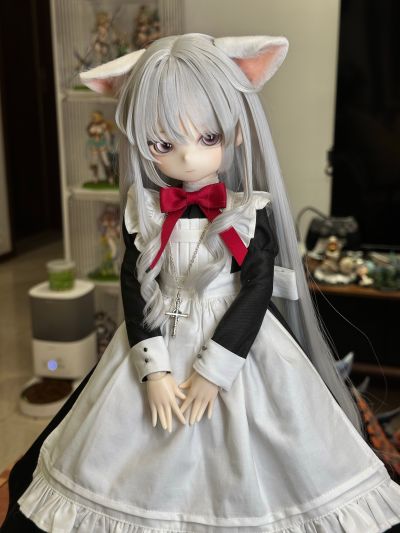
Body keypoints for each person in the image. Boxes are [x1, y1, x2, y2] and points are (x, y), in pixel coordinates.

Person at [4, 33, 400, 533]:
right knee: (115, 447)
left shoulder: (248, 213)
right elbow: (134, 285)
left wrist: (216, 369)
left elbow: (256, 289)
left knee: (279, 448)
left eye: (208, 137)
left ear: (235, 133)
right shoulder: (144, 213)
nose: (189, 158)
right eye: (164, 144)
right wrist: (153, 369)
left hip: (236, 343)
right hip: (158, 333)